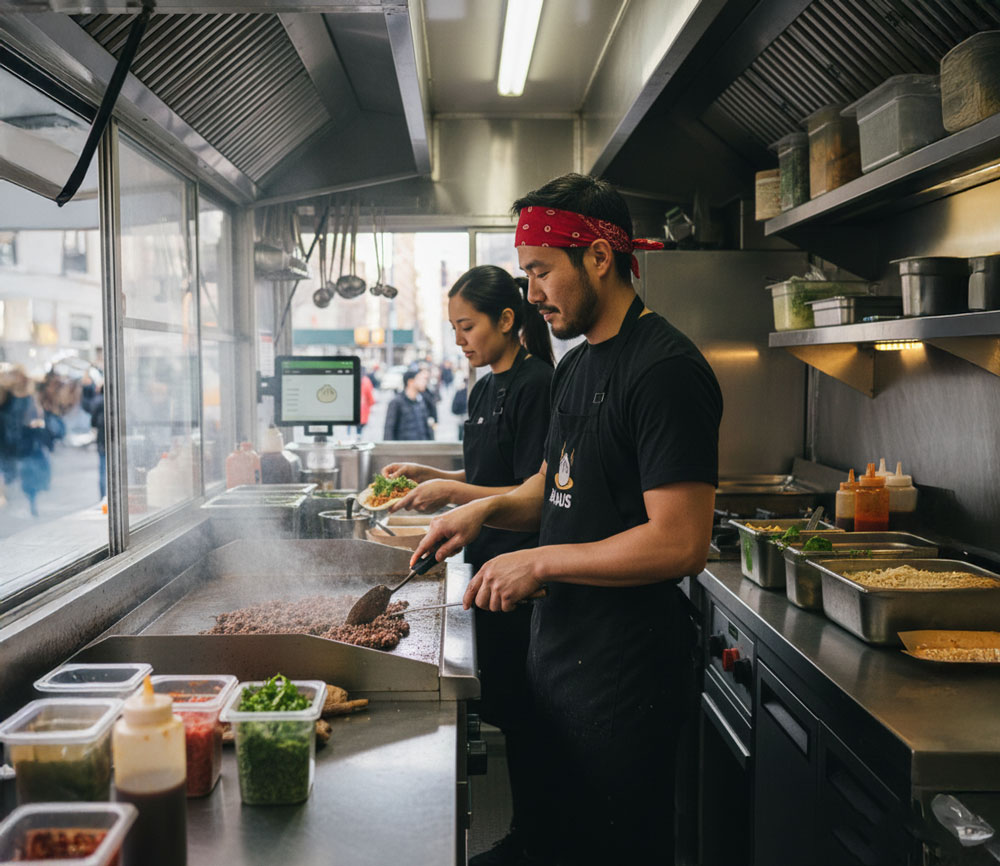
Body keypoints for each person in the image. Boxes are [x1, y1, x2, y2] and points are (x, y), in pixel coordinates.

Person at [411, 173, 723, 865]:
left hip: (624, 677)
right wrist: (481, 511)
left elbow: (681, 541)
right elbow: (553, 490)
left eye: (543, 272)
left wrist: (541, 560)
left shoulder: (665, 369)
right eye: (526, 274)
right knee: (544, 839)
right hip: (557, 662)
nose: (531, 294)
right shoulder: (576, 370)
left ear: (600, 259)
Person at [381, 265, 554, 866]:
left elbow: (531, 495)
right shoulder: (481, 388)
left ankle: (532, 838)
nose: (460, 339)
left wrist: (456, 498)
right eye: (453, 328)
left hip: (520, 576)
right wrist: (434, 479)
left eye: (468, 326)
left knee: (528, 716)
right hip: (483, 571)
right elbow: (480, 476)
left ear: (508, 320)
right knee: (505, 706)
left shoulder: (538, 385)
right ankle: (523, 834)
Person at [383, 368, 433, 440]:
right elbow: (389, 430)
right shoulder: (396, 402)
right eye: (420, 379)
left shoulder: (422, 400)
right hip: (404, 448)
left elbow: (427, 427)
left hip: (422, 447)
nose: (424, 382)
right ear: (410, 382)